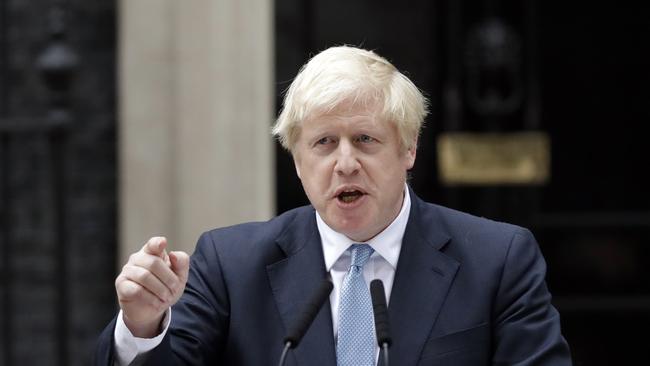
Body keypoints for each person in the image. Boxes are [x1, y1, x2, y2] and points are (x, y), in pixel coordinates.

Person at [95, 45, 572, 365]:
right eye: (324, 143)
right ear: (297, 161)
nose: (345, 163)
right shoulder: (230, 264)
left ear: (408, 150)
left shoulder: (498, 259)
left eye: (365, 139)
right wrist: (142, 326)